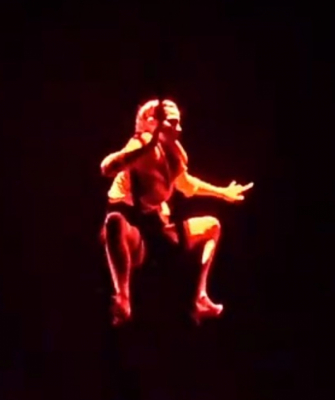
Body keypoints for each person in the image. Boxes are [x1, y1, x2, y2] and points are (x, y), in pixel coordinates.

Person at [100, 99, 253, 325]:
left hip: (159, 233)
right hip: (135, 236)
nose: (179, 129)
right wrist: (144, 148)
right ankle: (123, 297)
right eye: (172, 123)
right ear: (153, 122)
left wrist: (223, 193)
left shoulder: (174, 153)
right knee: (114, 222)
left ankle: (200, 297)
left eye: (179, 122)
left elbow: (187, 185)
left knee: (212, 226)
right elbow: (107, 168)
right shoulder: (141, 143)